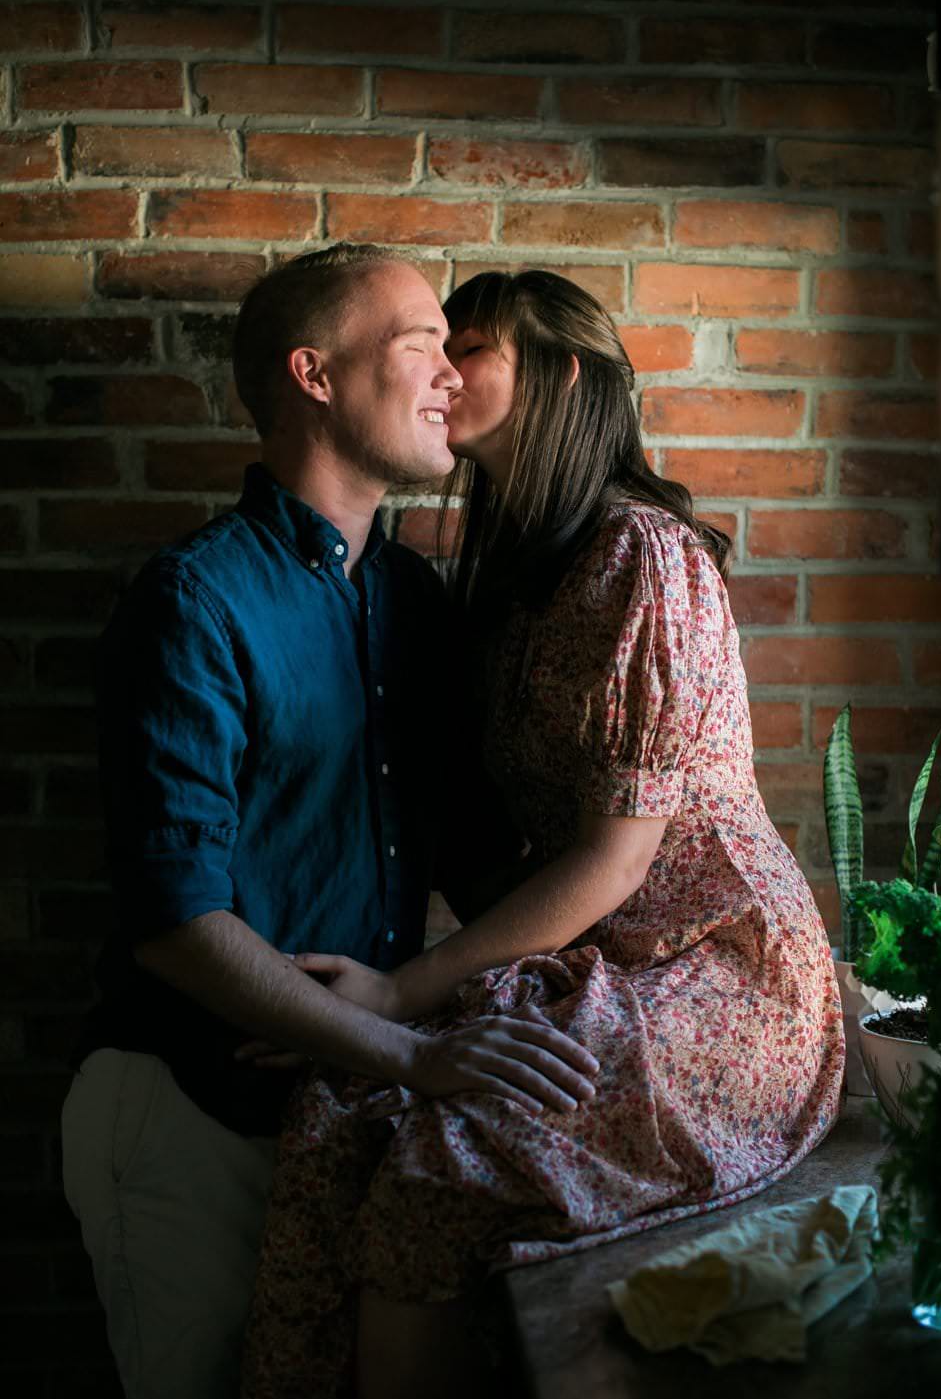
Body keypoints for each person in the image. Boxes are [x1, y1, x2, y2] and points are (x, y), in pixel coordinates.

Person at [234, 269, 844, 1399]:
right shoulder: (516, 581)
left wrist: (401, 991)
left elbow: (615, 859)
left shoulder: (642, 559)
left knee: (442, 1166)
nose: (446, 370)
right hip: (601, 965)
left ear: (560, 375)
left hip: (720, 973)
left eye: (475, 346)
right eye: (439, 345)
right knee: (338, 1112)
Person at [62, 244, 596, 1399]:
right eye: (419, 348)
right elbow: (173, 921)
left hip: (352, 1111)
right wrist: (417, 1050)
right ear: (313, 374)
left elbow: (475, 862)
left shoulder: (414, 603)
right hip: (194, 1114)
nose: (451, 375)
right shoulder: (193, 602)